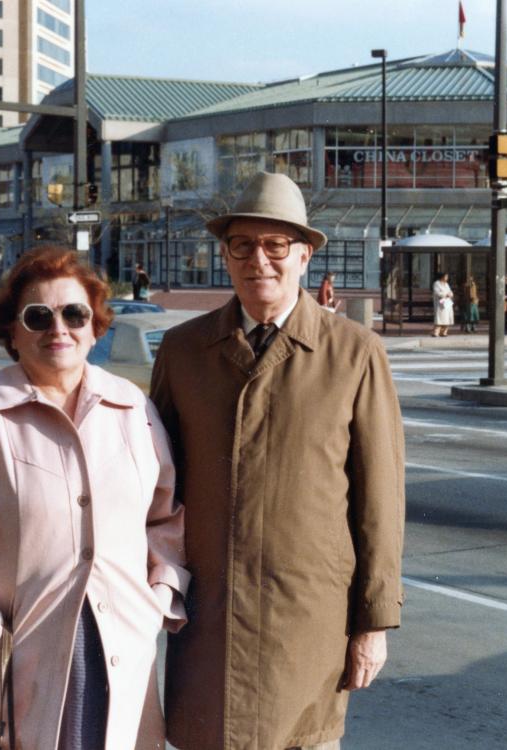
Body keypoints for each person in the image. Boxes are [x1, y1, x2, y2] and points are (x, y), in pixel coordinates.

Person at [151, 172, 405, 750]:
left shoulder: (355, 353)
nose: (258, 260)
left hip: (308, 622)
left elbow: (380, 502)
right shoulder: (184, 350)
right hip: (207, 620)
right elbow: (154, 487)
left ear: (305, 254)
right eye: (242, 245)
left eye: (275, 245)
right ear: (225, 254)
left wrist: (373, 623)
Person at [0, 246, 188, 750]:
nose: (57, 329)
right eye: (38, 317)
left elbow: (165, 518)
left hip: (119, 646)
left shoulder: (133, 410)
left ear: (95, 326)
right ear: (13, 333)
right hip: (18, 653)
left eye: (74, 313)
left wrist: (160, 597)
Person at [431, 271, 454, 337]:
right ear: (442, 277)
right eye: (446, 276)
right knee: (440, 318)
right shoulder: (436, 283)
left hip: (447, 303)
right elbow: (437, 292)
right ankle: (436, 332)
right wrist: (445, 294)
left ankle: (444, 332)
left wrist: (450, 294)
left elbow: (450, 291)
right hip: (440, 303)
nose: (447, 277)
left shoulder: (446, 284)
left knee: (447, 318)